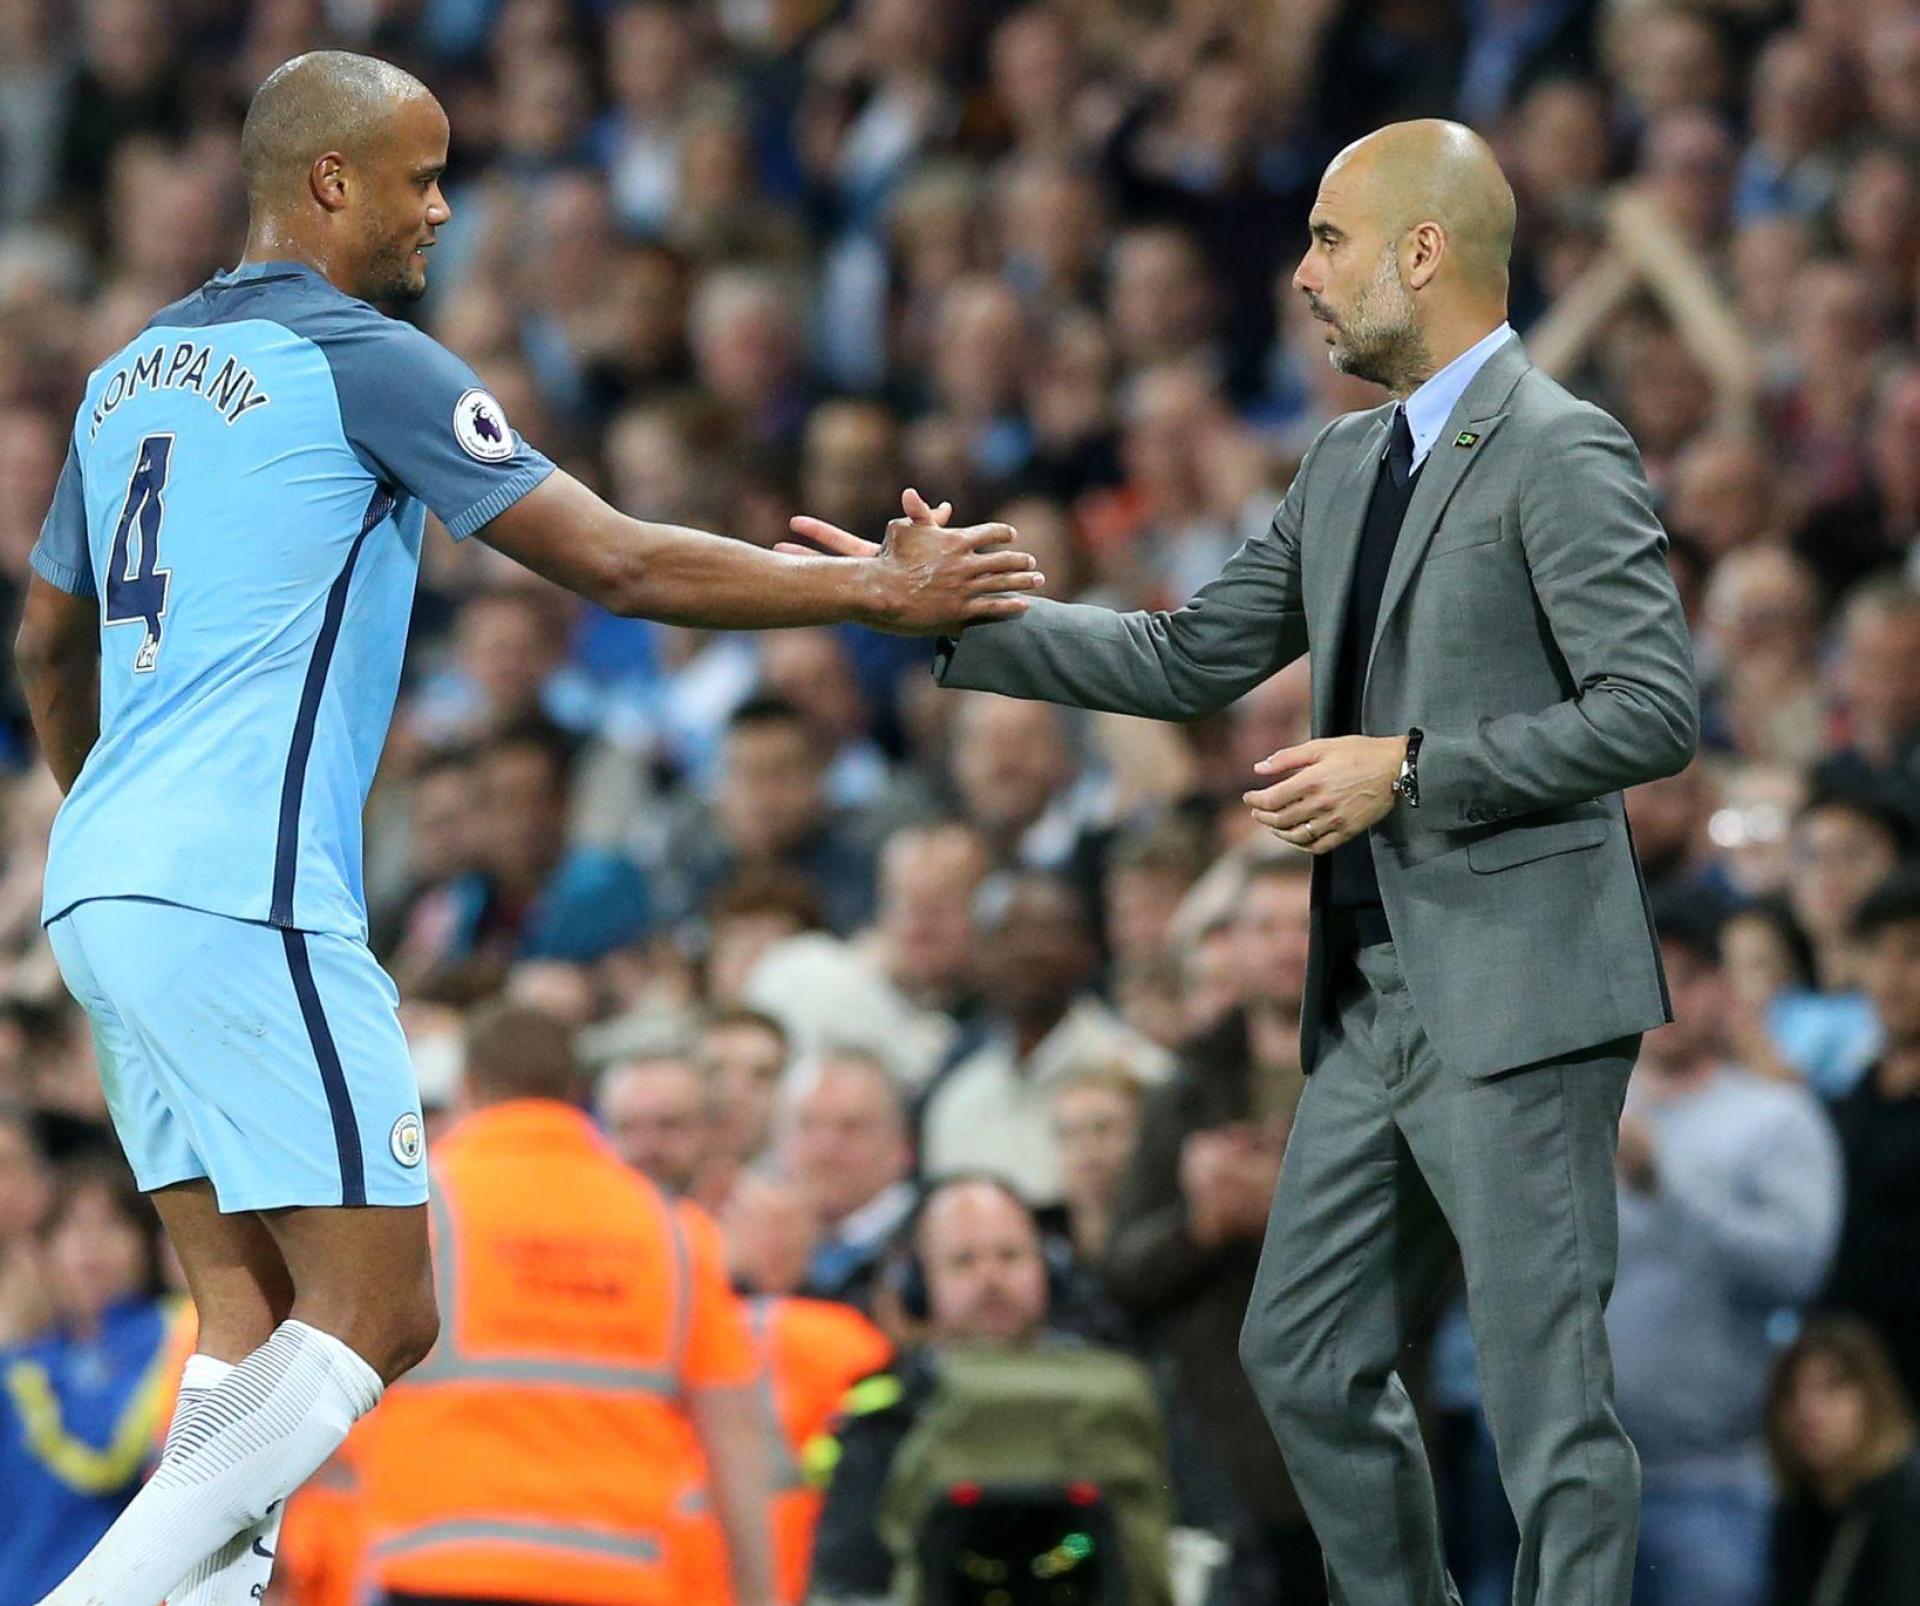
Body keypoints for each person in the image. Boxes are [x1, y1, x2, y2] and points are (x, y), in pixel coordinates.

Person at [10, 49, 1040, 1606]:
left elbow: (45, 646)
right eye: (420, 177)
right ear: (331, 180)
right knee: (379, 1312)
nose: (443, 209)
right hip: (239, 883)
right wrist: (869, 589)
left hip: (99, 880)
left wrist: (115, 827)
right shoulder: (367, 360)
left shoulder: (124, 376)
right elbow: (617, 562)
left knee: (246, 1316)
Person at [787, 119, 1699, 1605]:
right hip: (1371, 1000)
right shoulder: (1343, 462)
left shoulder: (1562, 445)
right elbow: (1188, 655)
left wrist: (1410, 766)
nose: (1304, 273)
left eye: (1332, 239)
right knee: (1304, 1353)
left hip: (1522, 990)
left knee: (1547, 1400)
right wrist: (941, 613)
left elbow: (1651, 709)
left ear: (1424, 250)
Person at [356, 1000, 777, 1606]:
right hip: (613, 1576)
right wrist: (759, 1594)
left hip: (441, 1562)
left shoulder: (420, 1207)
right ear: (578, 1092)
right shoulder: (672, 1230)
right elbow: (734, 1439)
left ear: (469, 1085)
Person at [1104, 853, 1325, 1606]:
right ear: (1233, 945)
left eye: (1303, 924)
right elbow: (1126, 1270)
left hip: (1362, 1438)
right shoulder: (1184, 1093)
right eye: (1265, 927)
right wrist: (1203, 1226)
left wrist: (1285, 1210)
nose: (1287, 946)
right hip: (1217, 1453)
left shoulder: (1392, 1073)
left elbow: (1445, 1255)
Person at [1609, 904, 1841, 1606]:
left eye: (1686, 976)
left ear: (1723, 989)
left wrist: (1666, 1186)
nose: (1664, 997)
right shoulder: (1589, 1109)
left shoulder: (1775, 1118)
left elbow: (1799, 1269)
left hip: (1709, 1475)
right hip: (1576, 1474)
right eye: (1649, 974)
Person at [808, 1175, 1171, 1605]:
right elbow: (850, 1581)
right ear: (919, 1286)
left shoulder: (1120, 1391)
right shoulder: (889, 1413)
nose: (991, 1277)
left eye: (1010, 1255)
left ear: (1049, 1268)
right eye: (963, 1261)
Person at [0, 1158, 178, 1602]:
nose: (90, 1245)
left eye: (112, 1225)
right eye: (70, 1227)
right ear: (39, 1253)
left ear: (147, 1245)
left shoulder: (175, 1335)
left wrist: (18, 1358)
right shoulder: (33, 1355)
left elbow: (110, 1454)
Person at [1820, 867, 1920, 1401]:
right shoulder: (1845, 1103)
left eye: (1913, 954)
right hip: (1850, 1396)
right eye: (1877, 951)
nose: (1889, 976)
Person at [1765, 1318, 1920, 1606]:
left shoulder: (1903, 1509)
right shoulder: (1800, 1511)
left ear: (1873, 1398)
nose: (1808, 1412)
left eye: (1832, 1388)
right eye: (1792, 1392)